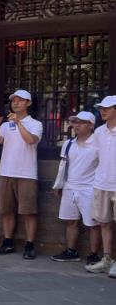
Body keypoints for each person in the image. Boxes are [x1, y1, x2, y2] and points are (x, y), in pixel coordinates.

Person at [0, 89, 43, 259]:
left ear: (28, 103)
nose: (16, 103)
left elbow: (30, 140)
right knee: (6, 210)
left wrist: (18, 123)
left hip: (27, 173)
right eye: (13, 100)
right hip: (6, 171)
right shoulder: (6, 125)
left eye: (20, 100)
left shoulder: (35, 124)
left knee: (28, 211)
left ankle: (29, 245)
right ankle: (7, 242)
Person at [52, 112, 100, 264]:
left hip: (90, 188)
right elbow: (63, 166)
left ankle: (94, 255)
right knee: (70, 221)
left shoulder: (98, 144)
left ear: (91, 125)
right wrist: (59, 184)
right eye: (75, 122)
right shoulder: (68, 144)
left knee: (93, 224)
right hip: (69, 187)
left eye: (81, 122)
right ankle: (71, 251)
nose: (77, 125)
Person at [86, 96, 116, 275]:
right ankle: (107, 259)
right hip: (102, 183)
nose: (103, 111)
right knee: (104, 223)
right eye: (101, 108)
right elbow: (96, 157)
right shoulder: (98, 132)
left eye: (107, 108)